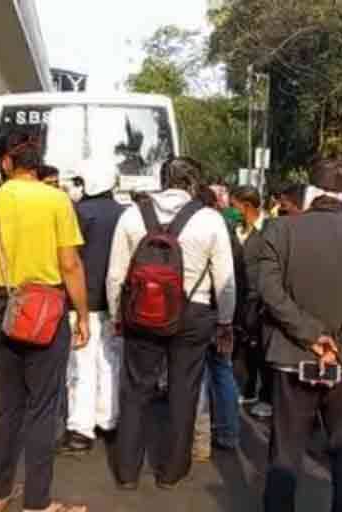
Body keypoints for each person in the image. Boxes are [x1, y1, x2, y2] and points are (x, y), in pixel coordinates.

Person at [258, 159, 342, 512]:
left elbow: (269, 290)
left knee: (285, 452)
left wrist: (312, 335)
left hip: (292, 356)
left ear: (310, 193)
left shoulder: (279, 230)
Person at [0, 133, 90, 512]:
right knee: (42, 409)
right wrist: (83, 314)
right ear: (37, 163)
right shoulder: (57, 201)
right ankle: (38, 502)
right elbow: (70, 264)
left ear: (6, 163)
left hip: (4, 305)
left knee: (6, 408)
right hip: (47, 311)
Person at [107, 157, 237, 489]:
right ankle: (171, 472)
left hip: (141, 313)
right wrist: (225, 321)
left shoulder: (133, 214)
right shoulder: (210, 219)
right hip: (193, 314)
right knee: (184, 391)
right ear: (194, 184)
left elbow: (116, 274)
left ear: (162, 179)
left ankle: (126, 472)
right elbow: (225, 279)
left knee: (135, 390)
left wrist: (117, 316)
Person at [58, 160, 125, 457]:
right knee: (111, 362)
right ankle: (109, 419)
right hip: (117, 304)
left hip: (81, 303)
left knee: (80, 367)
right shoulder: (127, 214)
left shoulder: (78, 214)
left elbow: (69, 261)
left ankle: (80, 430)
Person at [190, 184, 243, 462]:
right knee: (223, 371)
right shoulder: (228, 232)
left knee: (197, 375)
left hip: (201, 311)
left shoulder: (197, 229)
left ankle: (200, 441)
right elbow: (233, 281)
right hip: (221, 310)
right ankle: (229, 432)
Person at [231, 185, 274, 419]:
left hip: (260, 300)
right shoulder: (235, 230)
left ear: (246, 206)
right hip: (238, 299)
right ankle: (246, 389)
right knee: (242, 347)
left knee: (262, 350)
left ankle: (267, 396)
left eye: (234, 205)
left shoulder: (270, 229)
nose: (231, 209)